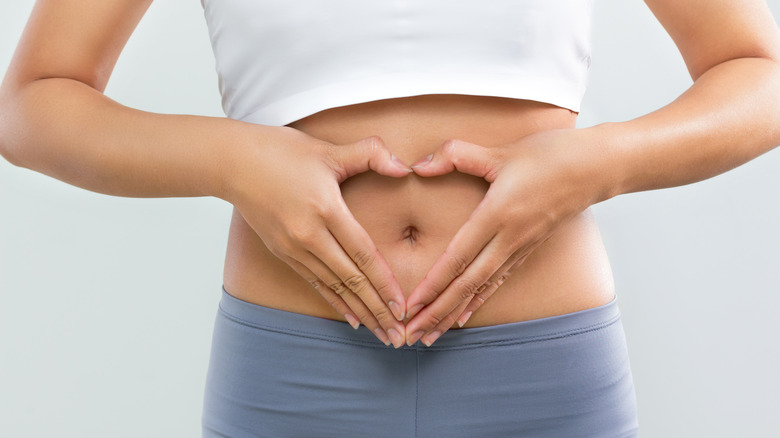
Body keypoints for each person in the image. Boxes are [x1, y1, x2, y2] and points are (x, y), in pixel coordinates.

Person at [1, 0, 778, 436]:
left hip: (541, 374)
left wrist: (596, 163)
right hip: (294, 373)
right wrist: (232, 161)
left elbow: (758, 77)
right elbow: (34, 102)